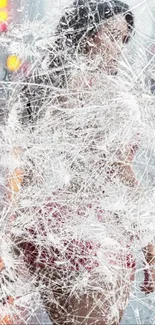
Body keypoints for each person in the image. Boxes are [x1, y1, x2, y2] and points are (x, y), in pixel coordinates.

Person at [12, 1, 155, 325]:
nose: (119, 49)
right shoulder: (109, 96)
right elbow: (121, 172)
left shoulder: (40, 89)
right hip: (92, 239)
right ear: (89, 36)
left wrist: (13, 240)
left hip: (44, 230)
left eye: (124, 39)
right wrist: (149, 244)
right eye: (113, 36)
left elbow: (23, 174)